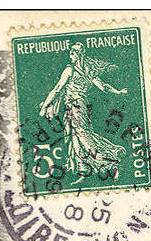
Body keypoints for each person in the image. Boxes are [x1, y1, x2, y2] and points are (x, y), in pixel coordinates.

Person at [39, 43, 128, 183]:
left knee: (82, 136)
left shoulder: (70, 70)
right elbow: (103, 87)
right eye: (70, 53)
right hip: (79, 106)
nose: (71, 55)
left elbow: (57, 89)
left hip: (75, 107)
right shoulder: (88, 71)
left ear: (79, 54)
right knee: (77, 136)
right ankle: (84, 168)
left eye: (73, 53)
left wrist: (44, 106)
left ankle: (110, 160)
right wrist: (118, 91)